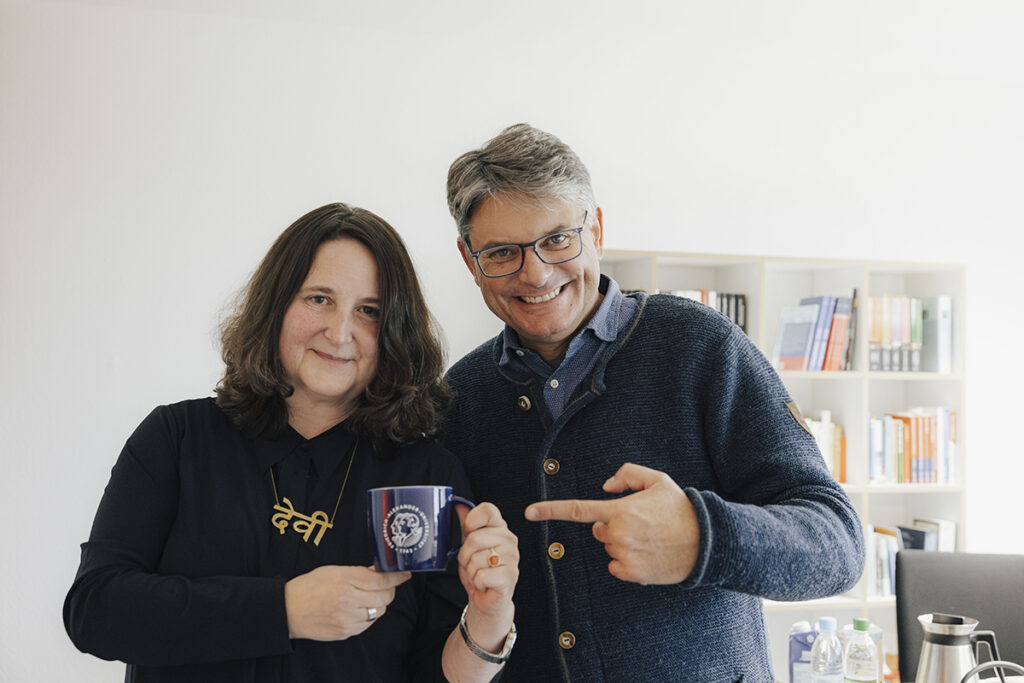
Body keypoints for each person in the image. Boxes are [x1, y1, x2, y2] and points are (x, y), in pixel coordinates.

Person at [441, 124, 864, 682]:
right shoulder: (458, 400)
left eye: (557, 239)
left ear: (595, 229)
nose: (536, 272)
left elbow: (838, 545)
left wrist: (701, 538)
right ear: (470, 261)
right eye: (501, 252)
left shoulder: (698, 345)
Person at [64, 203, 519, 682]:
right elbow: (95, 611)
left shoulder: (427, 476)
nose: (339, 332)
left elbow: (437, 673)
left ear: (394, 332)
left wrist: (488, 621)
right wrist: (286, 611)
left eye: (369, 311)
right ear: (276, 304)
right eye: (319, 298)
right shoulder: (176, 439)